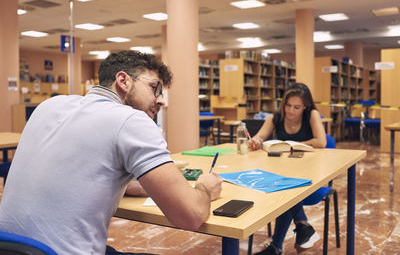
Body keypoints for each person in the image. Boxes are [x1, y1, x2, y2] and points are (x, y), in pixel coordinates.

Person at [0, 51, 222, 255]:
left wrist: (149, 185)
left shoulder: (49, 106)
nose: (161, 100)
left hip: (9, 247)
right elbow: (190, 215)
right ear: (123, 80)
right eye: (155, 88)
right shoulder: (132, 120)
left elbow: (87, 173)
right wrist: (204, 187)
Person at [249, 82, 326, 255]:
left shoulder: (312, 115)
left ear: (305, 106)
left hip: (310, 176)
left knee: (285, 192)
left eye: (297, 107)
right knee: (284, 188)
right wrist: (256, 141)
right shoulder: (275, 118)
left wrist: (294, 145)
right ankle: (302, 226)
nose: (291, 111)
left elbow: (321, 142)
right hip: (283, 173)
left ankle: (277, 246)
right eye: (288, 105)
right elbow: (260, 136)